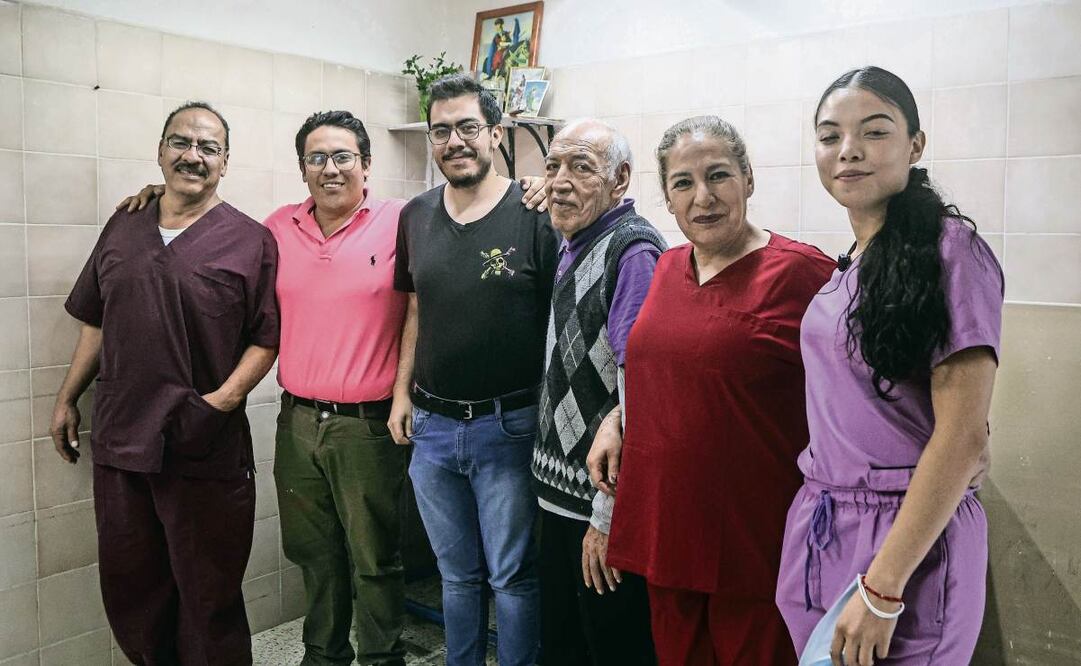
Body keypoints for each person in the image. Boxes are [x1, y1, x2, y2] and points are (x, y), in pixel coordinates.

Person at [115, 110, 550, 665]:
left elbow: (468, 215)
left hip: (369, 424)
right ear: (302, 169)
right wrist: (159, 196)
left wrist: (532, 187)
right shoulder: (274, 229)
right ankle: (323, 656)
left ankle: (381, 657)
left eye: (343, 156)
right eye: (316, 158)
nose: (330, 169)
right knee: (313, 554)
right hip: (297, 421)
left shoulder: (404, 219)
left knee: (373, 559)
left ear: (367, 165)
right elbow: (208, 222)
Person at [775, 66, 1003, 666]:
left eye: (874, 132)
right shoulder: (851, 266)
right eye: (829, 136)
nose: (848, 151)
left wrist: (882, 589)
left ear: (915, 145)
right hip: (825, 524)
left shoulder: (951, 251)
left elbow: (961, 436)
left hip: (907, 543)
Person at [598, 116, 838, 665]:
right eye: (683, 183)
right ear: (667, 196)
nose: (703, 197)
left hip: (754, 540)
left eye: (719, 176)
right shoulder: (665, 266)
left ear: (748, 180)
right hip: (666, 528)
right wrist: (617, 417)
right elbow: (669, 369)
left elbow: (857, 392)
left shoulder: (803, 274)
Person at [50, 101, 280, 664]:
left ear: (226, 163)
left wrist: (220, 403)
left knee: (208, 592)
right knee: (134, 588)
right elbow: (97, 320)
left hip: (203, 445)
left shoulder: (251, 241)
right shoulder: (124, 224)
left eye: (208, 148)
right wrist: (67, 398)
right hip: (124, 439)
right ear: (160, 151)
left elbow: (266, 339)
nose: (193, 156)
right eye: (181, 143)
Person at [389, 73, 559, 666]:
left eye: (468, 127)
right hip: (432, 428)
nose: (455, 140)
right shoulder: (415, 215)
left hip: (507, 427)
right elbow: (415, 308)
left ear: (494, 132)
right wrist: (399, 394)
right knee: (455, 575)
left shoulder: (535, 213)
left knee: (512, 576)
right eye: (442, 130)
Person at [532, 119, 665, 665]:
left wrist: (607, 519)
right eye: (553, 166)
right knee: (564, 644)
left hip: (598, 505)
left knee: (610, 646)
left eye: (581, 167)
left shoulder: (630, 250)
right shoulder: (574, 240)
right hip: (559, 494)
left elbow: (641, 389)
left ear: (620, 180)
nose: (560, 182)